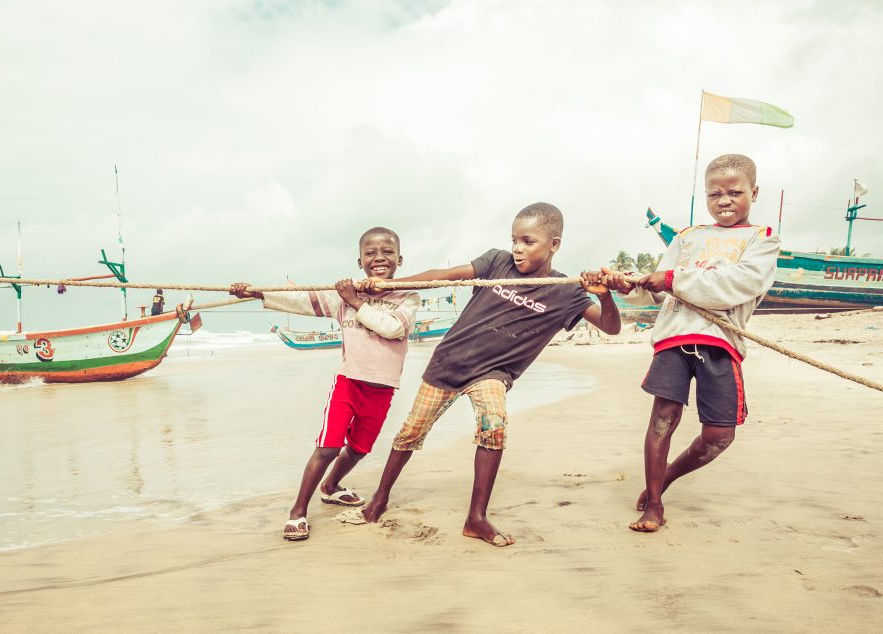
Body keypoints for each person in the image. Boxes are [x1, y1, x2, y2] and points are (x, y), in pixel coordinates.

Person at [355, 202, 622, 547]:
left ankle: (476, 518)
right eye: (515, 239)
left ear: (554, 244)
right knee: (410, 433)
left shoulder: (566, 291)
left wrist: (608, 296)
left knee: (493, 425)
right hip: (450, 362)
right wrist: (389, 286)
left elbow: (611, 327)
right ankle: (379, 499)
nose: (517, 248)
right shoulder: (497, 262)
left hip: (493, 373)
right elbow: (446, 275)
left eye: (528, 241)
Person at [606, 154, 780, 533]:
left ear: (754, 192)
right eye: (715, 193)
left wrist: (669, 278)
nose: (724, 200)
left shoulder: (762, 240)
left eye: (735, 192)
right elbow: (655, 292)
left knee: (720, 435)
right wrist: (628, 285)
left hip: (721, 341)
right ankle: (654, 504)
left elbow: (737, 285)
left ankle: (666, 476)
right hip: (674, 336)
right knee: (663, 418)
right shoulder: (687, 238)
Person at [230, 227, 420, 541]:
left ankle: (331, 487)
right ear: (360, 262)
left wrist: (356, 302)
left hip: (383, 387)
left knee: (358, 450)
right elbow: (301, 300)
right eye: (370, 253)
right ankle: (298, 511)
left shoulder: (407, 297)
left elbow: (392, 329)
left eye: (387, 252)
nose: (379, 258)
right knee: (329, 446)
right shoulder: (341, 297)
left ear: (399, 259)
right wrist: (255, 292)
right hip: (349, 382)